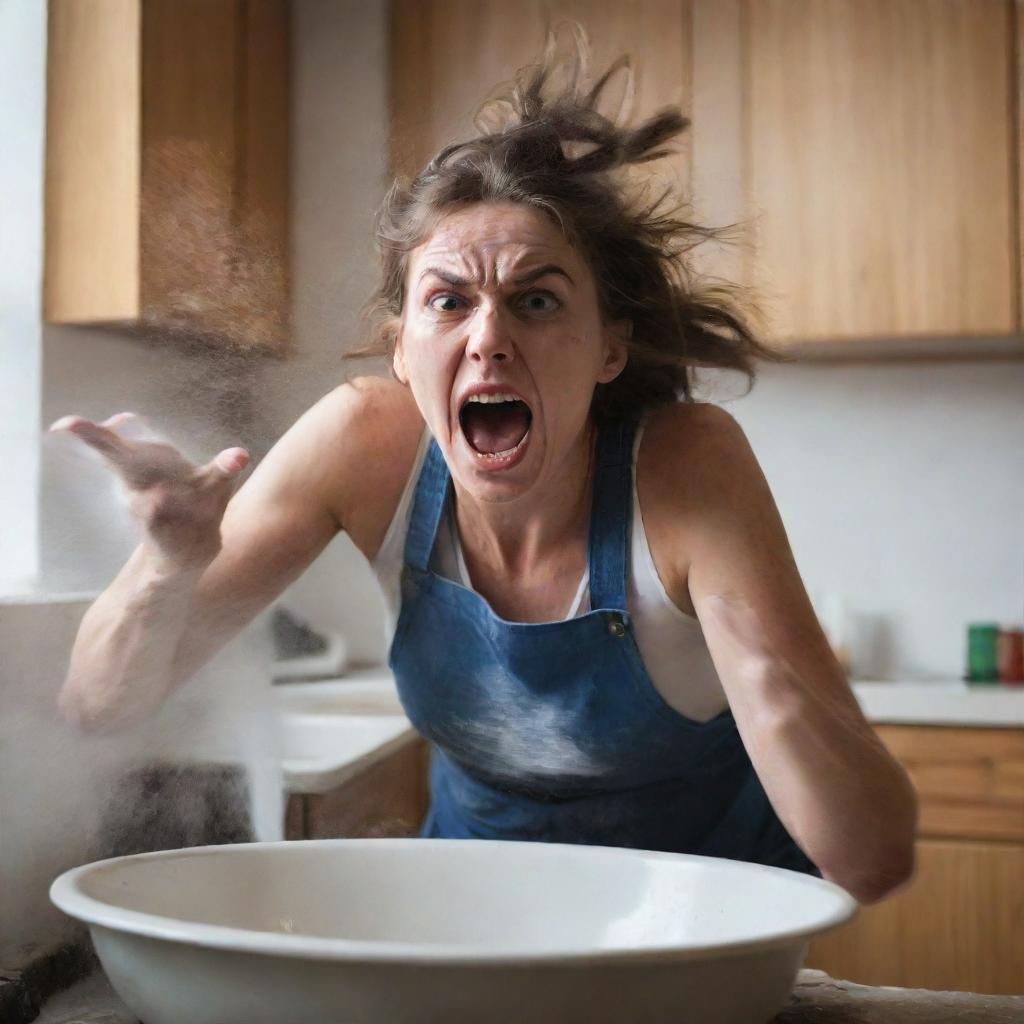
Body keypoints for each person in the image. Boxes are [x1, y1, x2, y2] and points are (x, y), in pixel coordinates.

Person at [52, 39, 916, 904]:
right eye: (448, 301)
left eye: (536, 300)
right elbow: (98, 704)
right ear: (401, 349)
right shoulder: (365, 444)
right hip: (478, 912)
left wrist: (754, 654)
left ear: (609, 347)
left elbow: (871, 857)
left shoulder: (687, 467)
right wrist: (168, 562)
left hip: (703, 926)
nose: (489, 337)